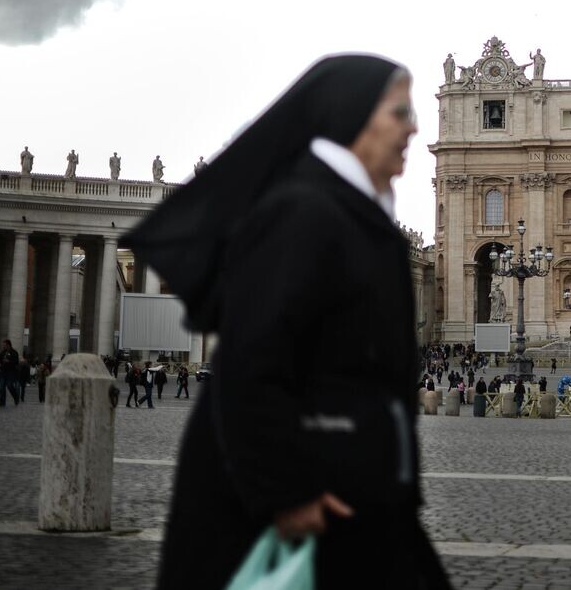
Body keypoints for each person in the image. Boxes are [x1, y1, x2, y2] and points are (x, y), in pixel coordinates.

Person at [123, 55, 448, 588]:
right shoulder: (300, 212)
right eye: (399, 112)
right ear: (352, 117)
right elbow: (252, 365)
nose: (414, 126)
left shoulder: (356, 213)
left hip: (356, 491)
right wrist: (285, 493)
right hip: (301, 499)